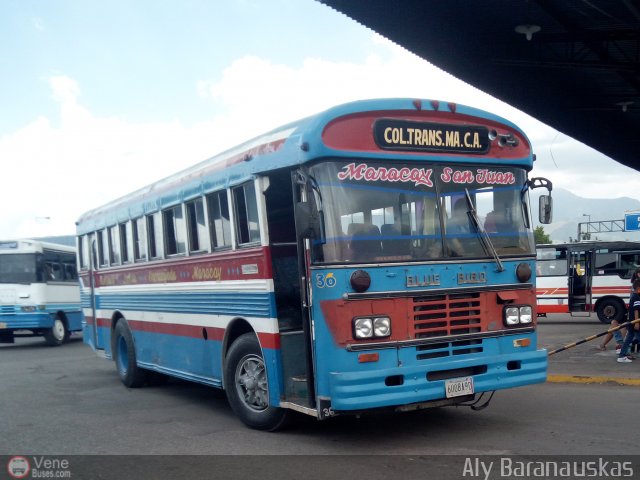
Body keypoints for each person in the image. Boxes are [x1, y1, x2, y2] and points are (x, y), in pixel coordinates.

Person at [617, 279, 640, 363]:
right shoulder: (636, 297)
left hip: (631, 323)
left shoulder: (633, 296)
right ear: (638, 288)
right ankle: (621, 356)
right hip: (635, 323)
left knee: (627, 341)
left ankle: (621, 356)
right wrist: (637, 322)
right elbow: (636, 310)